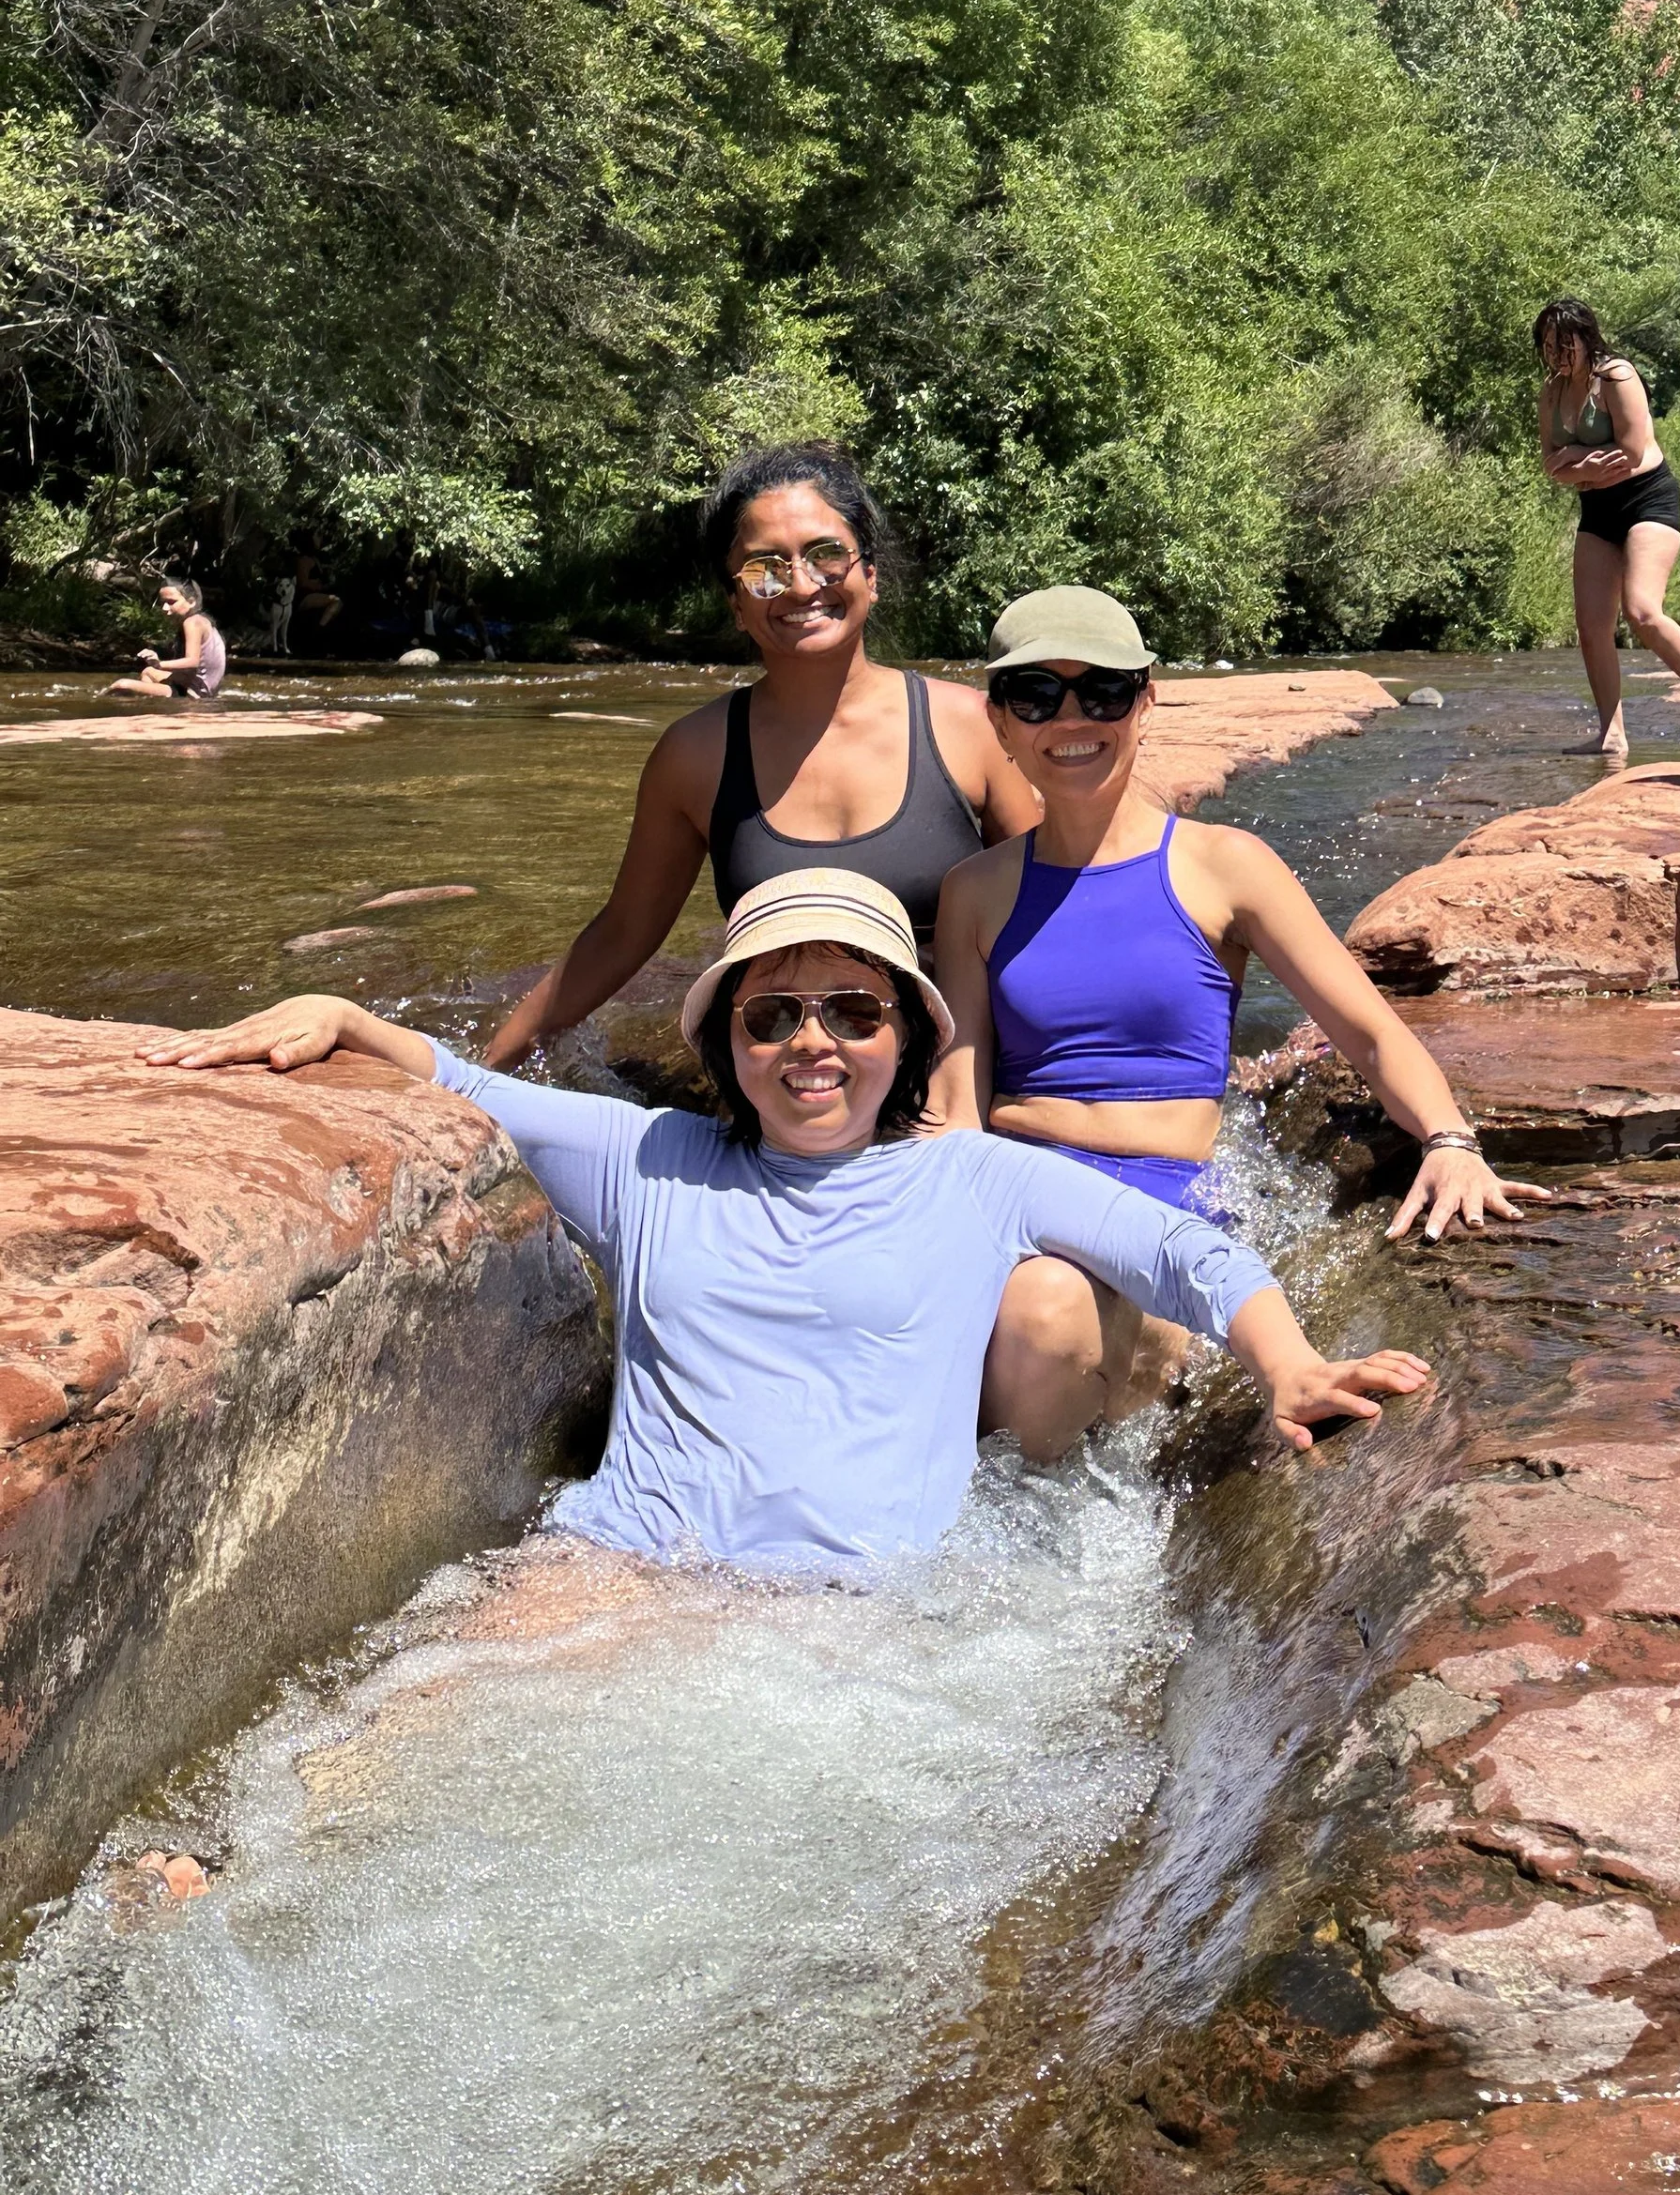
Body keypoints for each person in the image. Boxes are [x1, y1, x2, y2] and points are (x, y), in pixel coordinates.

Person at [144, 872, 1430, 1559]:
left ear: (909, 1036)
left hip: (848, 1617)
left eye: (853, 1013)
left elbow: (1182, 1250)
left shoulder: (973, 1176)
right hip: (609, 1571)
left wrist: (1292, 1366)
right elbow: (464, 1083)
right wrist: (346, 1023)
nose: (813, 1044)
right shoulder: (646, 1155)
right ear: (727, 1042)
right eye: (774, 1015)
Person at [933, 585, 1551, 1340]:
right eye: (1034, 694)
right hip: (1021, 1194)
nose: (1072, 719)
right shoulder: (975, 890)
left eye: (1102, 691)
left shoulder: (1226, 866)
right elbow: (956, 1107)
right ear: (997, 719)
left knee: (1044, 1331)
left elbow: (1370, 1033)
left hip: (1169, 1202)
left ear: (1145, 702)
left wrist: (1450, 1141)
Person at [484, 443, 1038, 1069]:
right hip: (790, 1081)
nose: (801, 585)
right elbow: (621, 934)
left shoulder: (970, 727)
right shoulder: (694, 756)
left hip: (952, 1070)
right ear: (737, 605)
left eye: (827, 555)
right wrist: (485, 1071)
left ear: (871, 576)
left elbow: (1058, 903)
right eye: (764, 569)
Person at [1534, 297, 1680, 754]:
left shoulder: (1616, 376)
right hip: (1597, 510)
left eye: (1565, 343)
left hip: (1647, 499)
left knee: (1641, 611)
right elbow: (1549, 464)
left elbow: (1633, 453)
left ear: (1586, 338)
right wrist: (1584, 465)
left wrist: (1575, 462)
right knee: (1591, 626)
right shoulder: (1551, 391)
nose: (1557, 353)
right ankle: (1611, 734)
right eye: (1547, 344)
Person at [107, 577, 227, 702]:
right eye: (162, 602)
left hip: (193, 693)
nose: (164, 608)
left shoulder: (192, 622)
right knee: (148, 672)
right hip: (187, 685)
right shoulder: (200, 620)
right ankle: (155, 707)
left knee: (121, 685)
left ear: (191, 602)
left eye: (171, 602)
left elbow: (192, 661)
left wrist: (159, 664)